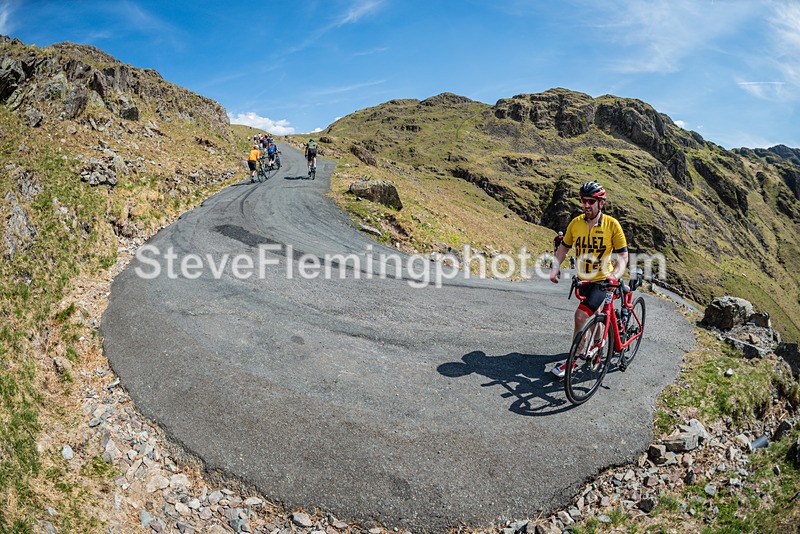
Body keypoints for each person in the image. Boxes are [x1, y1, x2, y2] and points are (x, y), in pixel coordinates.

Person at [549, 181, 629, 379]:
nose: (586, 205)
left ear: (601, 203)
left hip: (603, 280)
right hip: (584, 280)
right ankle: (597, 346)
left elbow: (623, 255)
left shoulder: (612, 225)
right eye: (584, 201)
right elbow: (564, 248)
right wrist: (555, 267)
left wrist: (615, 275)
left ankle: (573, 360)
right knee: (598, 314)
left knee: (580, 316)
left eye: (591, 201)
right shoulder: (575, 223)